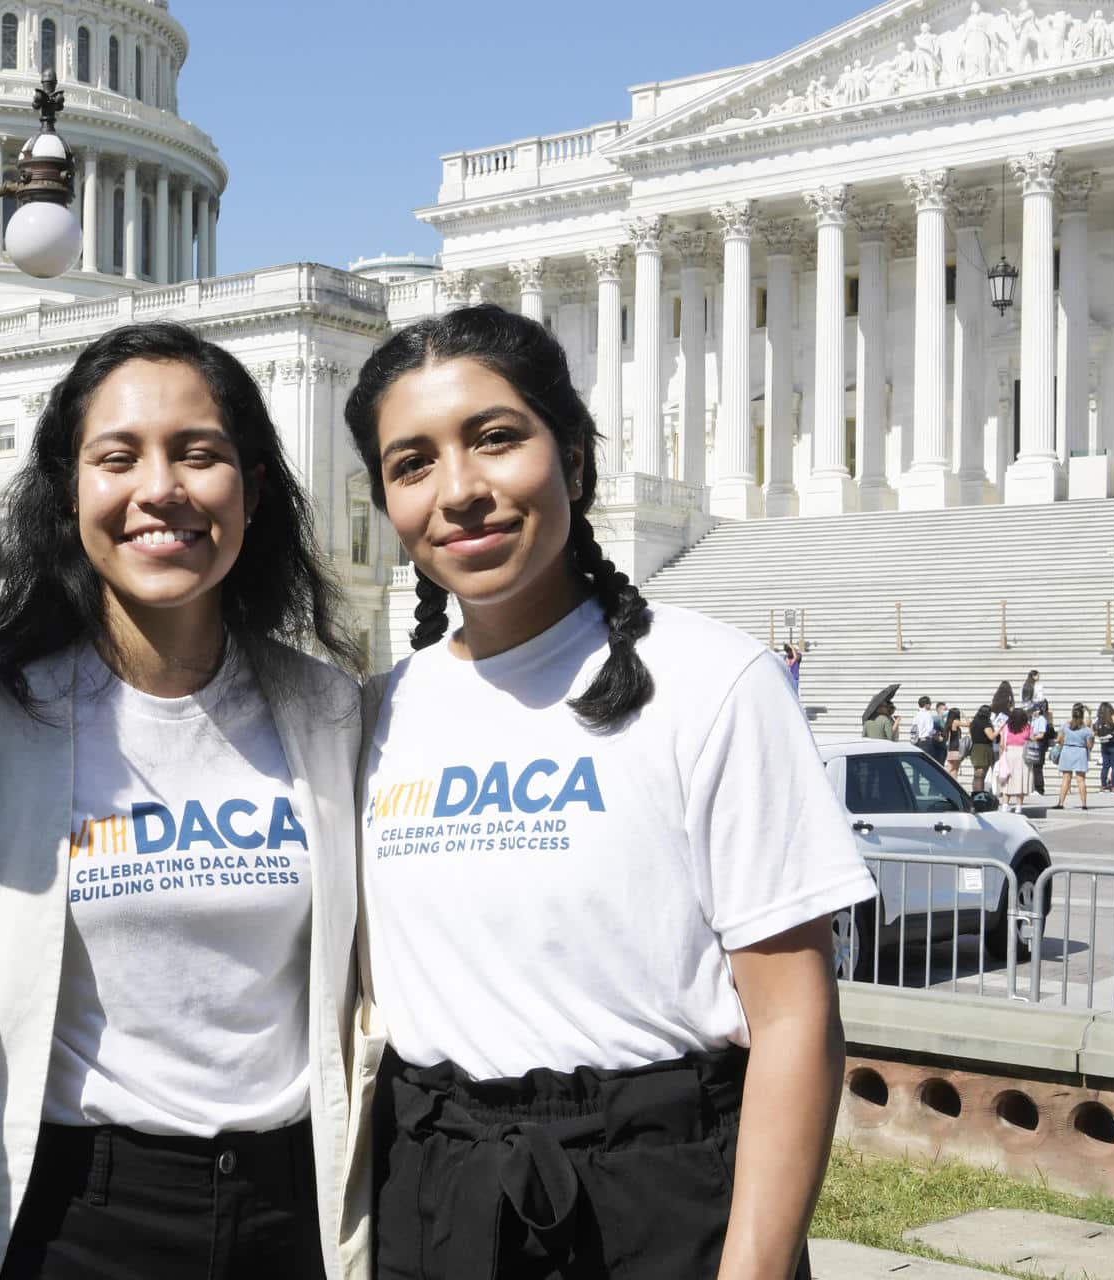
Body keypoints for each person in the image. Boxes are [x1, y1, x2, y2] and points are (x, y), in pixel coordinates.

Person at [343, 305, 874, 1279]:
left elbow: (796, 1019)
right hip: (437, 1199)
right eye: (411, 463)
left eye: (495, 438)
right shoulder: (381, 712)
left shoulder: (712, 680)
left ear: (574, 459)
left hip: (660, 1201)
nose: (458, 489)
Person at [0, 322, 366, 1280]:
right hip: (74, 1209)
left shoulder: (326, 712)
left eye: (199, 454)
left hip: (291, 1203)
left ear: (252, 487)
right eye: (118, 457)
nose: (161, 489)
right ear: (70, 492)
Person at [1054, 702, 1093, 810]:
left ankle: (1060, 803)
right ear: (1082, 716)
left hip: (1067, 751)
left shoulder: (1065, 726)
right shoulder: (1086, 730)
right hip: (1080, 752)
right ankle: (1084, 804)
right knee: (1081, 780)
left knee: (1066, 779)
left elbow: (1059, 740)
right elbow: (1089, 745)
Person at [999, 707, 1032, 810]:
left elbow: (1001, 744)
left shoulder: (1007, 727)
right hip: (1023, 754)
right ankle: (1019, 807)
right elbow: (1033, 739)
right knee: (1020, 779)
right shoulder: (1027, 727)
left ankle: (1005, 806)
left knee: (1007, 780)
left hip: (1009, 753)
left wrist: (1001, 757)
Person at [968, 702, 997, 794]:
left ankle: (975, 793)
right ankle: (979, 794)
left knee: (977, 773)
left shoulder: (974, 722)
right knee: (981, 774)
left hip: (975, 748)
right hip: (984, 749)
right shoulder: (985, 723)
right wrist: (999, 729)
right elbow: (991, 736)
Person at [910, 695, 944, 763]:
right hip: (926, 742)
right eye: (930, 704)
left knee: (919, 763)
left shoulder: (916, 715)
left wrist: (913, 742)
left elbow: (913, 730)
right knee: (928, 763)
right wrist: (937, 733)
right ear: (926, 705)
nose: (930, 706)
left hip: (917, 742)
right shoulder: (927, 714)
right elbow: (930, 730)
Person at [943, 706, 966, 780]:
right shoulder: (955, 722)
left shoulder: (949, 723)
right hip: (956, 749)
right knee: (954, 770)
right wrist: (964, 715)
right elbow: (969, 724)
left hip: (950, 749)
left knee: (951, 769)